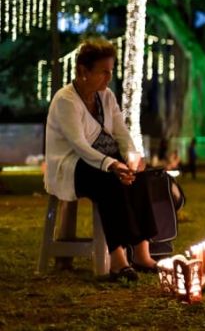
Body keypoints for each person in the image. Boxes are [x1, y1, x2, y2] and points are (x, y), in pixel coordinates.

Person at [44, 37, 158, 282]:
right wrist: (113, 165)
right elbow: (80, 146)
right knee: (108, 182)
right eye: (103, 72)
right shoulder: (66, 100)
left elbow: (121, 133)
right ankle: (117, 259)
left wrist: (131, 159)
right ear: (83, 71)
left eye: (111, 72)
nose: (108, 78)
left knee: (139, 177)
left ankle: (141, 252)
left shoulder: (106, 97)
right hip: (72, 166)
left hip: (104, 162)